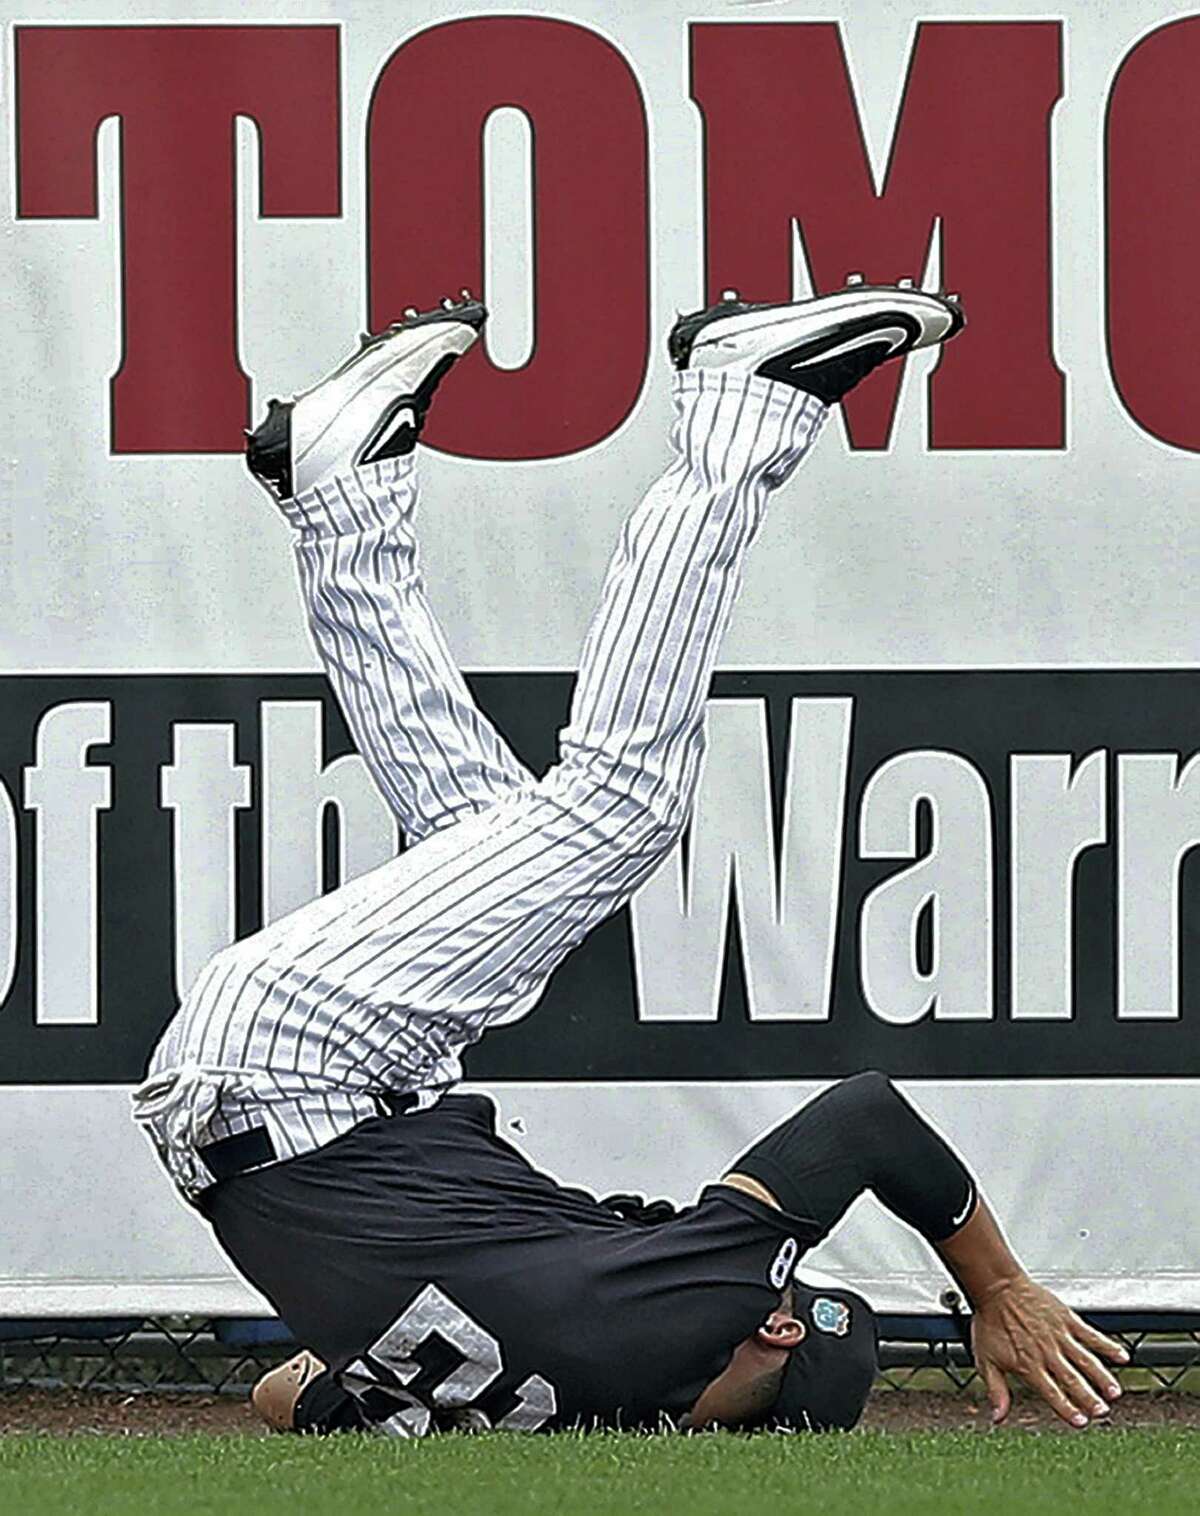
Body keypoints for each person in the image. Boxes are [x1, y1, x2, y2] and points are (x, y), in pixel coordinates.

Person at [133, 281, 1128, 1436]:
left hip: (308, 1061)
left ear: (780, 1330)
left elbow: (865, 1120)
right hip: (271, 1107)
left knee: (624, 802)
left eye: (789, 1298)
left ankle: (741, 407)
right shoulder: (549, 1408)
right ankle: (342, 496)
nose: (776, 1295)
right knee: (486, 826)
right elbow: (282, 1392)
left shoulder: (691, 1315)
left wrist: (995, 1287)